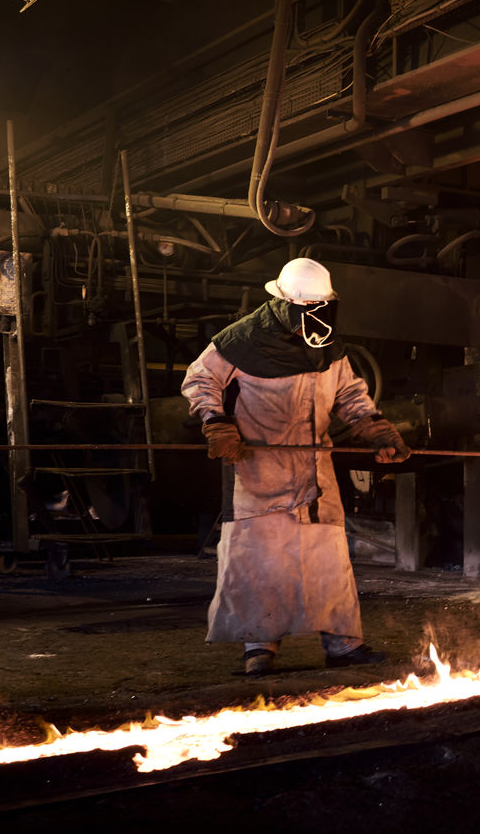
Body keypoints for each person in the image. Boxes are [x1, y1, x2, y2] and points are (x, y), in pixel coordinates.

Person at [181, 257, 409, 677]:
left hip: (316, 467)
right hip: (260, 467)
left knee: (328, 558)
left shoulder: (328, 346)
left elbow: (348, 394)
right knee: (261, 562)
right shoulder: (242, 340)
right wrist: (216, 421)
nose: (316, 316)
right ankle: (259, 648)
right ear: (285, 304)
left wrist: (374, 427)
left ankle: (343, 645)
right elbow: (200, 379)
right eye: (308, 308)